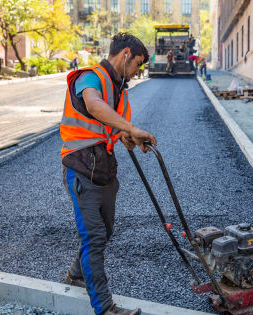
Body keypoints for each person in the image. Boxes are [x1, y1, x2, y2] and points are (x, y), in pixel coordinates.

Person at [60, 32, 156, 315]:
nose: (138, 71)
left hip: (104, 170)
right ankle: (104, 307)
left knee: (105, 231)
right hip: (81, 169)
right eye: (137, 63)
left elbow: (111, 128)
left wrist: (128, 137)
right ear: (125, 54)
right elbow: (93, 105)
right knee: (95, 238)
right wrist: (130, 128)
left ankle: (77, 274)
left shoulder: (119, 89)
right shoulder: (90, 77)